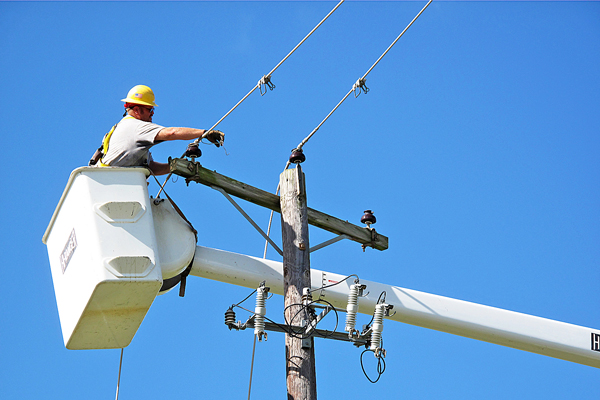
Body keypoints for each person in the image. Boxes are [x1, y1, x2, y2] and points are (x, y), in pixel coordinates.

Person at [92, 84, 223, 175]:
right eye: (150, 109)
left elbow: (151, 167)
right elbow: (171, 133)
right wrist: (204, 133)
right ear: (137, 110)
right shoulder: (136, 127)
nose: (152, 113)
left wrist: (175, 166)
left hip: (114, 183)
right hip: (115, 183)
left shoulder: (120, 129)